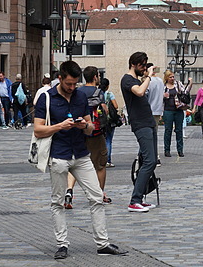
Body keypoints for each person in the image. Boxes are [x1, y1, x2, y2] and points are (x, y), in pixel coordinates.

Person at [33, 61, 127, 259]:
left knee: (96, 197)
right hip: (58, 154)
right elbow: (38, 129)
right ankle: (62, 245)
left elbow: (91, 126)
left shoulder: (80, 96)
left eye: (75, 84)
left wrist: (83, 125)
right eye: (69, 84)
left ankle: (102, 243)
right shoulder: (46, 98)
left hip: (81, 154)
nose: (72, 88)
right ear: (60, 78)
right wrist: (60, 126)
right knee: (58, 202)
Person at [65, 66, 111, 209]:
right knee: (100, 165)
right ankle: (100, 193)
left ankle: (69, 191)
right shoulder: (99, 92)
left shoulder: (77, 92)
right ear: (95, 77)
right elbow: (105, 110)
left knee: (75, 163)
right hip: (95, 132)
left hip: (79, 131)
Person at [121, 52, 158, 213]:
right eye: (142, 65)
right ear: (133, 64)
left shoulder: (136, 80)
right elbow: (139, 92)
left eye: (146, 65)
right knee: (149, 161)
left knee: (148, 161)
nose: (144, 68)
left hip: (148, 123)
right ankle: (134, 200)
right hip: (141, 124)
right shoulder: (127, 80)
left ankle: (140, 198)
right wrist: (149, 77)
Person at [162, 70, 187, 157]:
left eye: (173, 77)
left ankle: (180, 150)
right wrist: (163, 96)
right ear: (166, 78)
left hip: (178, 110)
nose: (172, 79)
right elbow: (159, 99)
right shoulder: (163, 87)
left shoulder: (178, 84)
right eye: (170, 77)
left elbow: (185, 93)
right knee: (168, 130)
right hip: (168, 110)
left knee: (179, 130)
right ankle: (167, 150)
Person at [102, 78, 118, 167]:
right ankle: (108, 160)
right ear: (107, 86)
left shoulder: (97, 93)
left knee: (101, 140)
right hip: (109, 120)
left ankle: (101, 159)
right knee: (108, 140)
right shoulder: (109, 94)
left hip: (100, 120)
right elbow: (116, 106)